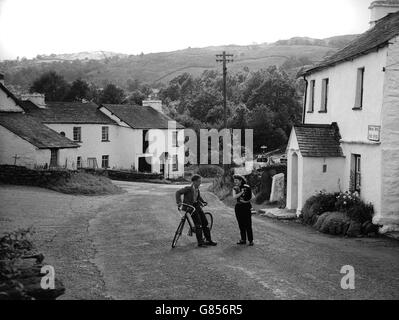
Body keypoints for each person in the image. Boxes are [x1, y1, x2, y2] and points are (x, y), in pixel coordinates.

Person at [175, 174, 217, 247]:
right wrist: (179, 202)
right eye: (199, 181)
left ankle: (208, 240)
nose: (200, 183)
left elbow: (198, 197)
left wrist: (203, 201)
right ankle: (200, 242)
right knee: (199, 224)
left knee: (205, 223)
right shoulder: (188, 189)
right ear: (194, 182)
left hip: (196, 207)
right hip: (190, 208)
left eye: (200, 181)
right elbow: (178, 192)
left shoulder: (197, 189)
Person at [232, 175, 254, 246]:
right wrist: (241, 192)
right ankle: (243, 239)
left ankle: (251, 240)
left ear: (240, 180)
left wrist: (246, 201)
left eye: (237, 180)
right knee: (241, 224)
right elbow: (234, 197)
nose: (235, 182)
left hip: (246, 207)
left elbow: (253, 196)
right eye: (234, 180)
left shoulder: (247, 187)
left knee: (248, 224)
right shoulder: (235, 188)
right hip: (238, 207)